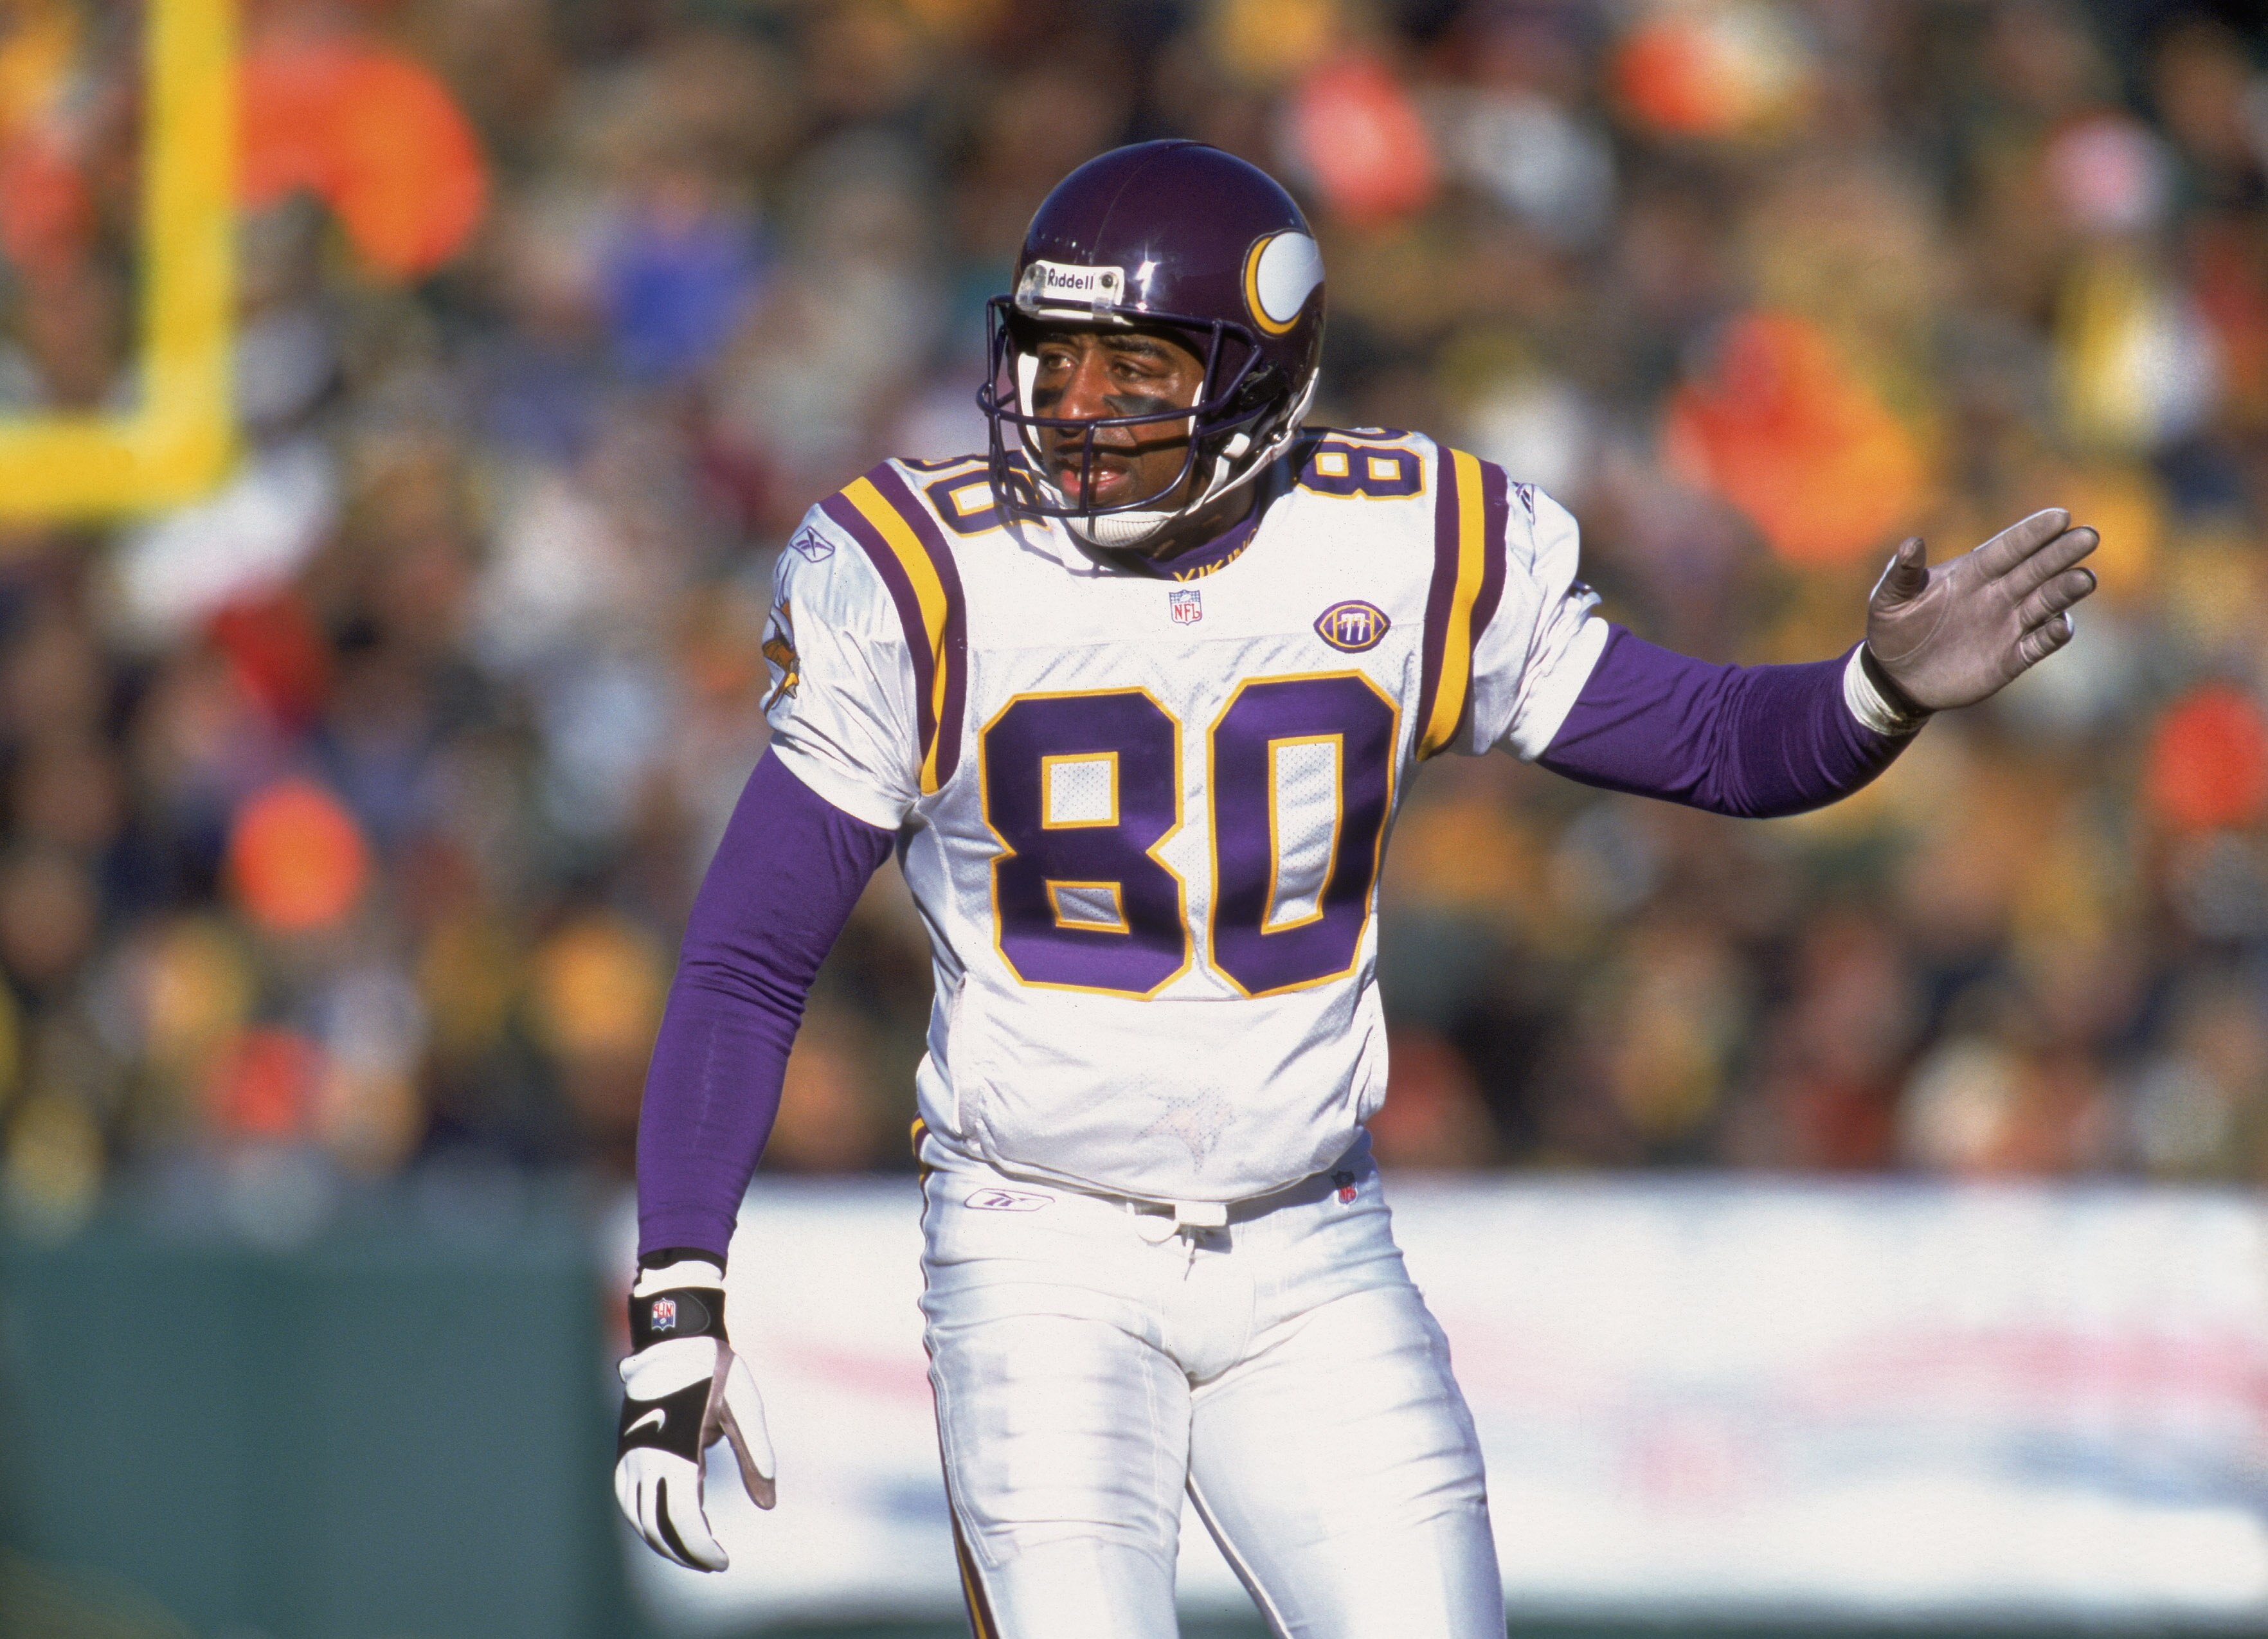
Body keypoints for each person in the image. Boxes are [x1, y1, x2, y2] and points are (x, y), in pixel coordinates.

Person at [611, 142, 2096, 1637]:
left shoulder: (1409, 537)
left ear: (1263, 378)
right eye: (1052, 365)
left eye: (1134, 371)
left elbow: (1711, 743)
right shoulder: (921, 571)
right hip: (1035, 1239)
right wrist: (680, 1293)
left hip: (1313, 1243)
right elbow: (749, 956)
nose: (1074, 416)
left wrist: (1873, 693)